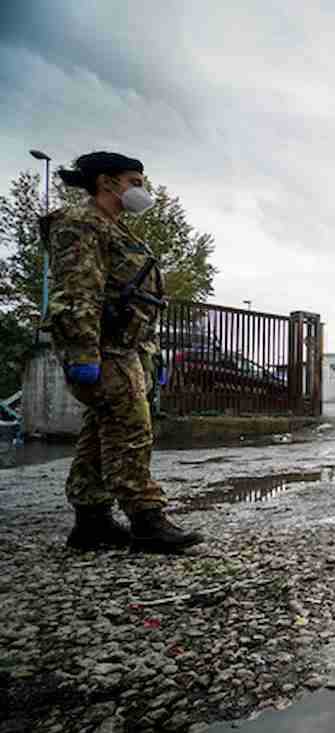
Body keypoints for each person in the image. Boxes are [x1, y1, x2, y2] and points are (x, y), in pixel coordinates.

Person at [41, 152, 203, 552]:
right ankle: (146, 520)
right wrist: (83, 354)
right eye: (134, 182)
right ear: (106, 183)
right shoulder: (81, 223)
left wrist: (152, 352)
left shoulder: (113, 227)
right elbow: (77, 291)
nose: (141, 190)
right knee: (131, 430)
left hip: (124, 345)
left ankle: (91, 521)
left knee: (101, 431)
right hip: (103, 346)